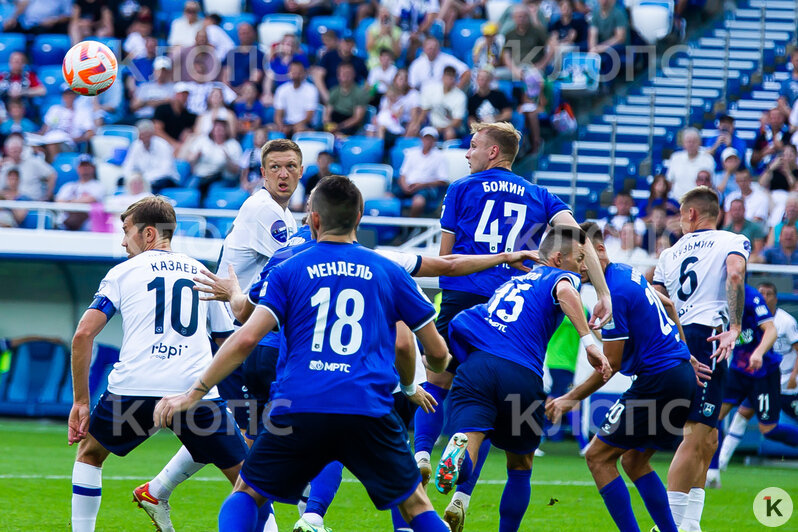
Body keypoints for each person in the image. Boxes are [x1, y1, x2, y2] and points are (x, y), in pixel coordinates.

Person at [153, 176, 454, 532]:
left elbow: (246, 339)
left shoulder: (288, 268)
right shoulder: (388, 270)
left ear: (313, 218)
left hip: (299, 405)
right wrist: (423, 375)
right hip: (367, 408)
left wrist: (194, 393)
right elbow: (431, 351)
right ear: (359, 217)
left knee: (247, 492)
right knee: (415, 504)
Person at [413, 121, 612, 531]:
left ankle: (420, 456)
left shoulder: (461, 189)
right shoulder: (540, 196)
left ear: (491, 153)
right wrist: (603, 292)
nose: (467, 153)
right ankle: (464, 495)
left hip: (465, 300)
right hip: (510, 309)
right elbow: (581, 239)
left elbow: (445, 257)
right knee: (509, 442)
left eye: (472, 146)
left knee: (439, 383)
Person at [133, 140, 301, 532]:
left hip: (250, 336)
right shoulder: (264, 211)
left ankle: (156, 491)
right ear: (261, 174)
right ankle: (300, 515)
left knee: (233, 437)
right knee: (251, 443)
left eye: (290, 166)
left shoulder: (283, 218)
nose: (282, 174)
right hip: (240, 339)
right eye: (274, 166)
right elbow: (301, 268)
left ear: (300, 171)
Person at [68, 196, 247, 532]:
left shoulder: (122, 273)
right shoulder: (201, 272)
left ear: (149, 234)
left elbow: (83, 335)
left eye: (126, 231)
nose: (123, 241)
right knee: (248, 482)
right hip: (194, 392)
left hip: (133, 389)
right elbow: (227, 342)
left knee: (90, 454)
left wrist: (80, 402)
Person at [436, 226, 612, 532]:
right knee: (520, 467)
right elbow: (566, 291)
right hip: (520, 374)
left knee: (471, 444)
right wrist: (589, 343)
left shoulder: (511, 283)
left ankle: (457, 458)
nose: (584, 266)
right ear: (558, 258)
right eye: (579, 258)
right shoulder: (559, 277)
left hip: (477, 367)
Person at [547, 222, 704, 532]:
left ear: (599, 251)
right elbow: (669, 304)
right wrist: (685, 353)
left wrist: (569, 398)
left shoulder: (613, 293)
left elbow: (611, 365)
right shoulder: (626, 272)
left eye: (582, 260)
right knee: (634, 461)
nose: (579, 269)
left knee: (597, 457)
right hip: (678, 375)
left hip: (658, 380)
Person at [652, 186, 749, 532]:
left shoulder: (669, 254)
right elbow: (735, 275)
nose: (680, 220)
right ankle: (669, 525)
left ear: (692, 214)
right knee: (695, 437)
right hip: (707, 335)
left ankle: (690, 523)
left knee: (708, 437)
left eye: (681, 213)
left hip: (677, 338)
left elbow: (658, 302)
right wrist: (735, 326)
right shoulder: (731, 240)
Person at [704, 284, 798, 489]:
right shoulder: (716, 296)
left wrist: (758, 353)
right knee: (714, 417)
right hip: (738, 371)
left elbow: (771, 330)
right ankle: (712, 473)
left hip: (764, 374)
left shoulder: (751, 299)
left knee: (769, 429)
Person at [180, 119, 242, 199]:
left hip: (221, 178)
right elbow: (189, 160)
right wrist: (196, 156)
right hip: (200, 176)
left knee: (213, 192)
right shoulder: (202, 141)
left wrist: (228, 160)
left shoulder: (233, 145)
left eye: (221, 130)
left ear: (226, 131)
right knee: (189, 190)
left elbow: (236, 171)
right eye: (216, 129)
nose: (219, 132)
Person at [395, 127, 449, 216]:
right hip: (408, 185)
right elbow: (403, 174)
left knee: (418, 202)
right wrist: (405, 186)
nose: (428, 141)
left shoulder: (440, 156)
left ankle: (410, 228)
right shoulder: (412, 153)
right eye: (426, 138)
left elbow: (442, 180)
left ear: (434, 140)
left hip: (426, 188)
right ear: (421, 139)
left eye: (430, 138)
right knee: (388, 196)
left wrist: (421, 185)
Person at [122, 119, 179, 194]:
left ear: (152, 134)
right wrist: (131, 177)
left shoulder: (163, 145)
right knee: (122, 180)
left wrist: (144, 178)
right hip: (143, 179)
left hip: (164, 179)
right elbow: (128, 166)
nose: (144, 138)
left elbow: (166, 170)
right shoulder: (136, 145)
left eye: (146, 135)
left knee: (158, 184)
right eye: (141, 135)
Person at [312, 33, 367, 104]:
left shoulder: (359, 61)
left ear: (354, 45)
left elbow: (368, 80)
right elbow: (318, 76)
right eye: (345, 42)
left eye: (350, 43)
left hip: (351, 100)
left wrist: (362, 94)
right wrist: (325, 96)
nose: (347, 45)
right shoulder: (329, 56)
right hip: (330, 95)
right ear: (340, 42)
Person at [55, 154, 106, 231]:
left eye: (87, 166)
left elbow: (92, 199)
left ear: (93, 168)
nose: (84, 169)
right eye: (82, 166)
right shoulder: (68, 186)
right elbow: (59, 201)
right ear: (78, 168)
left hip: (88, 226)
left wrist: (69, 202)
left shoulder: (98, 186)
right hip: (65, 224)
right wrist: (78, 201)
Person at [502, 6, 552, 81]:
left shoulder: (538, 32)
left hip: (534, 68)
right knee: (494, 75)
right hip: (515, 68)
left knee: (532, 78)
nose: (521, 19)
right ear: (514, 18)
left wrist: (542, 65)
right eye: (519, 16)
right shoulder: (509, 34)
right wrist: (514, 70)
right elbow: (506, 55)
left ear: (528, 17)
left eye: (524, 16)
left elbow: (552, 47)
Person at [0, 133, 55, 201]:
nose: (14, 151)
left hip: (33, 203)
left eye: (17, 149)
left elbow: (52, 175)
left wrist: (47, 196)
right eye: (12, 149)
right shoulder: (6, 166)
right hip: (13, 204)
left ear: (21, 149)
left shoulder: (33, 162)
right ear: (7, 151)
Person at [666, 127, 716, 201]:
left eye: (694, 141)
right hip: (677, 202)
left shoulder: (708, 159)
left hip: (699, 202)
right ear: (683, 143)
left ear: (699, 143)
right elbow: (669, 181)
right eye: (688, 141)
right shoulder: (675, 157)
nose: (691, 144)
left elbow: (711, 184)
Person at [418, 66, 467, 141]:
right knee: (415, 127)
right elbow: (424, 110)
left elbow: (457, 121)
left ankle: (448, 152)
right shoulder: (432, 90)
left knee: (449, 132)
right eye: (447, 77)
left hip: (451, 127)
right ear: (442, 77)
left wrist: (441, 129)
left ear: (455, 79)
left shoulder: (460, 96)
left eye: (452, 78)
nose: (449, 80)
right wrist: (416, 124)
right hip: (432, 125)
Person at [272, 61, 319, 137]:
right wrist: (281, 126)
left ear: (304, 73)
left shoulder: (311, 89)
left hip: (304, 125)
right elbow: (278, 114)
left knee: (299, 129)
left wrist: (294, 127)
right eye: (293, 70)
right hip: (286, 124)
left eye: (298, 71)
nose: (295, 73)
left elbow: (309, 116)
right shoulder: (281, 89)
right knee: (267, 129)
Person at [324, 63, 369, 136]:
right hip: (335, 120)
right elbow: (327, 113)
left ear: (353, 75)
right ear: (338, 75)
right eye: (342, 73)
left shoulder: (360, 93)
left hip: (350, 124)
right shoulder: (334, 91)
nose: (345, 76)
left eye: (348, 73)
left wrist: (339, 127)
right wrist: (328, 125)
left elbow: (357, 118)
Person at [588, 0, 628, 80]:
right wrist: (593, 49)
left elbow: (620, 38)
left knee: (610, 53)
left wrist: (601, 48)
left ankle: (607, 85)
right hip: (602, 44)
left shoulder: (618, 12)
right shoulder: (596, 13)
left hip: (619, 46)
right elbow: (592, 34)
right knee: (582, 47)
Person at [153, 83, 197, 153]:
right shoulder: (162, 109)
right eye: (181, 94)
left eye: (186, 95)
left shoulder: (189, 116)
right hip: (162, 145)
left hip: (179, 148)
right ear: (175, 95)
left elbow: (192, 132)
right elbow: (157, 131)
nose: (183, 97)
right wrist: (173, 143)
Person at [222, 22, 266, 91]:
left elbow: (256, 78)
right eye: (242, 33)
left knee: (249, 89)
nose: (245, 36)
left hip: (248, 90)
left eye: (247, 33)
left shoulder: (259, 55)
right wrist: (230, 89)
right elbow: (225, 76)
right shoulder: (231, 54)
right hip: (230, 91)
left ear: (253, 34)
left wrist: (240, 89)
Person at [752, 108, 790, 173]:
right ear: (769, 119)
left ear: (783, 118)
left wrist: (782, 148)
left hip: (783, 171)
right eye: (773, 118)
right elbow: (753, 160)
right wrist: (763, 153)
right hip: (763, 171)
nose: (775, 120)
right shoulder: (762, 135)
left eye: (778, 118)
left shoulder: (789, 134)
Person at [2, 0, 71, 34]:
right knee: (8, 28)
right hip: (27, 24)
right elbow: (22, 4)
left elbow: (68, 15)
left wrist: (55, 20)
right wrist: (13, 18)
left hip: (48, 26)